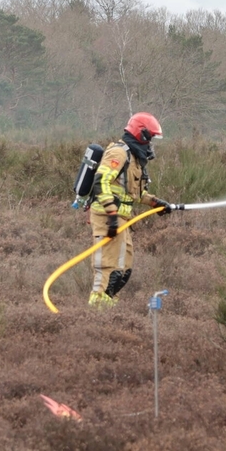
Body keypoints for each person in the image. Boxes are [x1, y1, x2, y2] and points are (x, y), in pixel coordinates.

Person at [87, 112, 175, 308]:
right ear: (141, 134)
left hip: (122, 220)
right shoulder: (119, 153)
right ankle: (94, 313)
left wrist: (156, 203)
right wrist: (111, 215)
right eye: (150, 137)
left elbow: (133, 193)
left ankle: (107, 309)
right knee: (108, 268)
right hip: (107, 218)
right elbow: (101, 183)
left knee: (123, 271)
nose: (151, 143)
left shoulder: (134, 158)